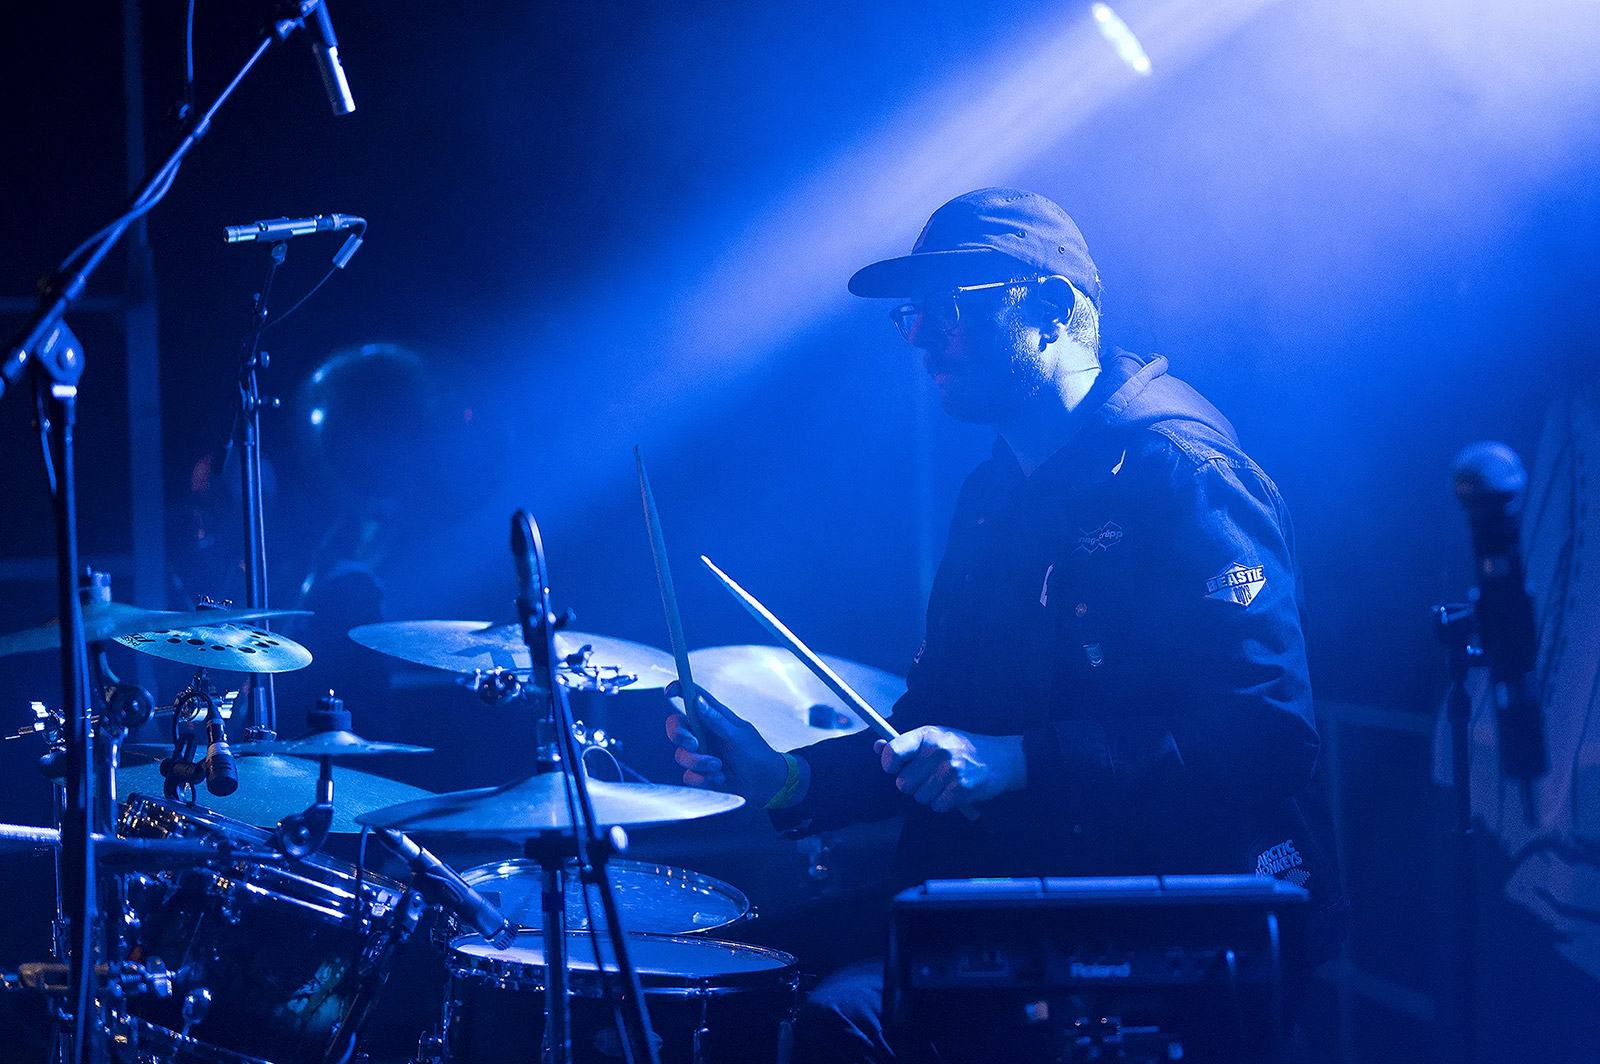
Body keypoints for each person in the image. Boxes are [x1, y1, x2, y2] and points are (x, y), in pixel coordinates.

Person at [666, 188, 1343, 1062]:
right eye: (912, 317)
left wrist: (1021, 760)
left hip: (1175, 919)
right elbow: (936, 726)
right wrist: (789, 779)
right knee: (721, 971)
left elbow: (1270, 734)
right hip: (1019, 896)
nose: (921, 338)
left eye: (950, 309)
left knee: (837, 1022)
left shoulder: (1185, 472)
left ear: (1054, 309)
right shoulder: (992, 495)